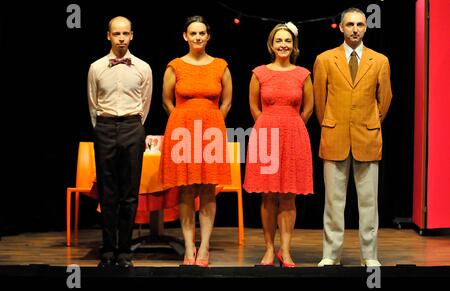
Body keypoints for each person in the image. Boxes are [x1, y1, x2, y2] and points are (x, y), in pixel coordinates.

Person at [313, 8, 392, 267]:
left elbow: (385, 99)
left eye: (359, 24)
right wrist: (333, 123)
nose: (355, 29)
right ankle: (331, 254)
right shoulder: (325, 59)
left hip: (367, 137)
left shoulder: (379, 60)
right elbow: (319, 101)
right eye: (350, 24)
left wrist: (369, 123)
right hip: (334, 136)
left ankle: (369, 255)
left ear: (366, 28)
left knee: (369, 203)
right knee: (333, 203)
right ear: (342, 27)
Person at [161, 15, 232, 267]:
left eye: (202, 33)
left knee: (207, 190)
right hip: (182, 133)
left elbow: (226, 101)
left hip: (211, 134)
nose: (198, 37)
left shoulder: (220, 65)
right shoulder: (175, 66)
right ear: (185, 36)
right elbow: (167, 100)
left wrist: (212, 122)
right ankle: (189, 247)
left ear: (208, 36)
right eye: (193, 33)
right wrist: (182, 121)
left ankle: (204, 247)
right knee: (186, 189)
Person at [243, 22, 314, 267]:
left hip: (294, 136)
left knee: (288, 197)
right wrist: (267, 125)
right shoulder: (259, 73)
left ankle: (286, 250)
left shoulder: (302, 74)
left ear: (293, 45)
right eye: (279, 40)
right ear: (271, 45)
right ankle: (269, 250)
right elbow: (253, 106)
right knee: (268, 196)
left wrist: (291, 125)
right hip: (266, 136)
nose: (283, 45)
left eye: (287, 41)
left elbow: (308, 108)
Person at [87, 16, 153, 268]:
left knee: (129, 193)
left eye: (126, 34)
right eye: (117, 34)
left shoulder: (143, 67)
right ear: (108, 36)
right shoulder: (96, 67)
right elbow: (92, 103)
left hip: (131, 127)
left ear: (132, 35)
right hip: (104, 127)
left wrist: (133, 126)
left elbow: (145, 104)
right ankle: (107, 251)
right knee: (108, 193)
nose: (122, 38)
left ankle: (124, 252)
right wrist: (103, 128)